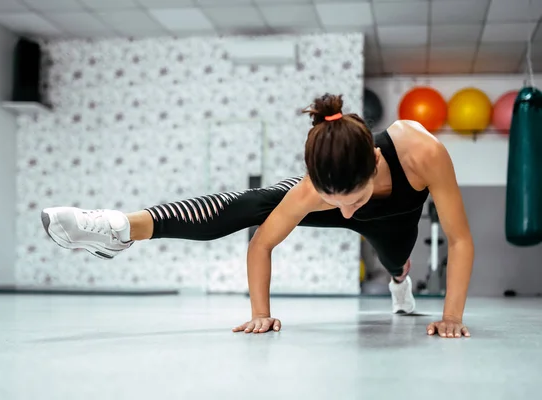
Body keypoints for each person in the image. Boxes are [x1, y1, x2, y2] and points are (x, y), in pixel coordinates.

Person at [41, 93, 474, 339]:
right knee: (253, 201)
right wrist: (260, 312)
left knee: (394, 257)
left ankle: (401, 284)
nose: (345, 213)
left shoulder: (423, 153)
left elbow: (459, 239)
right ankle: (122, 228)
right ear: (316, 182)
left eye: (353, 199)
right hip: (327, 191)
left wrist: (452, 316)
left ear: (375, 161)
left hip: (396, 217)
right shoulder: (313, 190)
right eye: (332, 199)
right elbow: (262, 241)